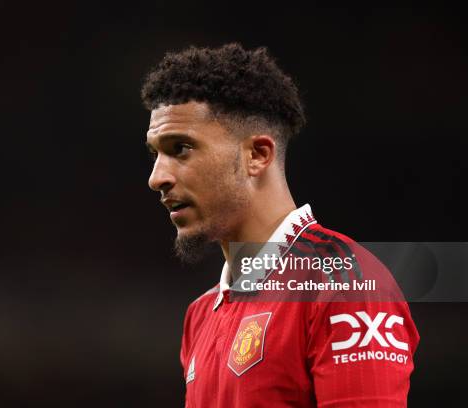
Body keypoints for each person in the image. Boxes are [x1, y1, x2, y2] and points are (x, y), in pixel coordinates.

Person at [142, 43, 419, 407]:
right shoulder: (200, 314)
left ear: (257, 155)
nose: (156, 177)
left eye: (180, 149)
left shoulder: (344, 284)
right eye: (155, 153)